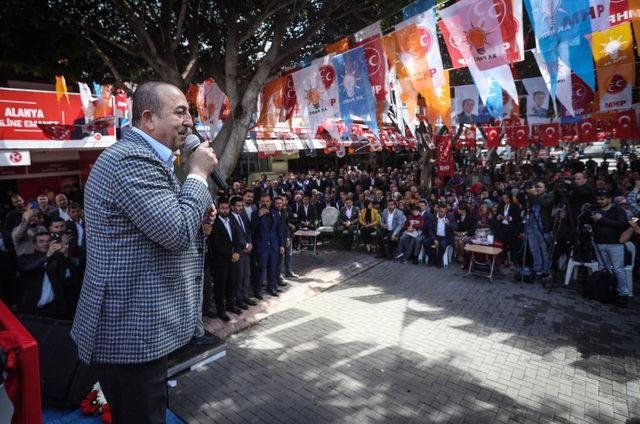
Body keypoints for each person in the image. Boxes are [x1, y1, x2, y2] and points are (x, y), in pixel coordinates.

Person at [71, 81, 218, 424]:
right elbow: (175, 232)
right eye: (180, 112)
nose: (189, 121)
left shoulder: (150, 158)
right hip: (129, 331)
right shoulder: (133, 159)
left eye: (189, 113)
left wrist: (198, 220)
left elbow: (156, 228)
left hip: (138, 329)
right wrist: (197, 175)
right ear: (149, 119)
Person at [590, 190, 630, 305]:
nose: (600, 201)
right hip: (599, 243)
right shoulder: (595, 209)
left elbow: (623, 224)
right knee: (603, 268)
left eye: (602, 199)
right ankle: (604, 290)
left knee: (618, 269)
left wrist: (602, 220)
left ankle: (623, 293)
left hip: (615, 244)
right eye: (598, 199)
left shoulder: (617, 209)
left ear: (609, 199)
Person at [17, 231, 69, 318]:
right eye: (41, 241)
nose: (45, 244)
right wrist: (47, 255)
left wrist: (66, 254)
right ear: (34, 244)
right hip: (31, 309)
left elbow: (71, 272)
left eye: (48, 241)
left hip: (52, 308)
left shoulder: (57, 258)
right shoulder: (25, 257)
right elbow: (28, 268)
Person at [209, 199, 241, 321]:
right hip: (220, 261)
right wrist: (230, 254)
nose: (225, 210)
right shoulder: (215, 223)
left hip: (233, 259)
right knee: (220, 287)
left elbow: (236, 238)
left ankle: (230, 305)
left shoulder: (231, 220)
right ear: (218, 209)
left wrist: (237, 252)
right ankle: (221, 311)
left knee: (230, 284)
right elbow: (216, 244)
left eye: (227, 208)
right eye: (222, 208)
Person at [251, 193, 285, 298]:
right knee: (261, 269)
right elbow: (252, 229)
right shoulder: (255, 214)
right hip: (262, 246)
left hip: (274, 246)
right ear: (260, 202)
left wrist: (281, 245)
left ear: (270, 202)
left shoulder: (275, 213)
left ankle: (272, 287)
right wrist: (259, 216)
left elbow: (280, 231)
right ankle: (257, 291)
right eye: (263, 201)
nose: (265, 203)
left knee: (273, 267)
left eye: (267, 201)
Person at [230, 196, 257, 309]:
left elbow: (248, 231)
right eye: (238, 206)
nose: (241, 208)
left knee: (246, 274)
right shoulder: (230, 218)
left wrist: (250, 244)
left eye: (242, 205)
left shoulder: (242, 216)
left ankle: (245, 296)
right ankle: (239, 299)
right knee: (239, 276)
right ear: (232, 207)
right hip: (238, 250)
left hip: (247, 250)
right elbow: (236, 235)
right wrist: (246, 245)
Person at [425, 203, 457, 268]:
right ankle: (431, 258)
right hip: (435, 236)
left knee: (442, 244)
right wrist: (434, 239)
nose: (442, 214)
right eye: (441, 212)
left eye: (444, 212)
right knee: (425, 243)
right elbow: (430, 230)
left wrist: (449, 224)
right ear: (438, 210)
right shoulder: (432, 216)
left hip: (445, 236)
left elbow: (455, 227)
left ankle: (439, 260)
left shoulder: (450, 217)